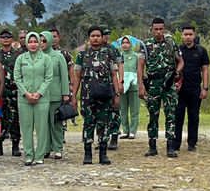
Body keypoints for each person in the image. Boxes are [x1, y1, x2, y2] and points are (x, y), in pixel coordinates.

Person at [72, 25, 123, 164]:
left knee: (103, 124)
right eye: (92, 36)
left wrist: (117, 94)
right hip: (87, 96)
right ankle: (87, 154)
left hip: (105, 95)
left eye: (98, 36)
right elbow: (77, 77)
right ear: (89, 38)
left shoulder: (108, 54)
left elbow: (114, 74)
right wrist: (73, 97)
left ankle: (103, 154)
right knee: (88, 124)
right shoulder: (82, 55)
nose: (95, 38)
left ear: (102, 38)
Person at [139, 18, 179, 157]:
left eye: (161, 29)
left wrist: (177, 73)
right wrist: (141, 86)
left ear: (164, 29)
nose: (158, 32)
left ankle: (170, 147)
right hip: (153, 84)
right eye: (156, 29)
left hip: (168, 84)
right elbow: (141, 65)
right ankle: (152, 146)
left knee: (171, 115)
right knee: (153, 115)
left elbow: (180, 61)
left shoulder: (171, 42)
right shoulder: (146, 45)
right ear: (151, 29)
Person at [170, 25, 210, 154]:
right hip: (179, 90)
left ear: (194, 35)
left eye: (190, 34)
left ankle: (192, 143)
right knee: (178, 117)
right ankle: (175, 143)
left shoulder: (201, 51)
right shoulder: (177, 51)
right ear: (181, 36)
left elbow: (205, 69)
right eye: (185, 34)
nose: (188, 37)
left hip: (194, 89)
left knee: (194, 117)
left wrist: (205, 88)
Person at [14, 32, 51, 166]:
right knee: (26, 127)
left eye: (36, 41)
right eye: (30, 41)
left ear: (40, 43)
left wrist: (39, 93)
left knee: (41, 128)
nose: (33, 44)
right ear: (26, 43)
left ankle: (40, 156)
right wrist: (26, 94)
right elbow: (17, 78)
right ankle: (29, 155)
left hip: (42, 99)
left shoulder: (46, 59)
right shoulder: (21, 59)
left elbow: (48, 78)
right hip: (25, 99)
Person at [41, 32, 70, 160]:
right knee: (44, 124)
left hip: (55, 94)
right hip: (41, 95)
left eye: (44, 40)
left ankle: (58, 148)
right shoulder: (37, 56)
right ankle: (46, 148)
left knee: (56, 123)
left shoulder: (58, 56)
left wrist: (65, 93)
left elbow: (64, 76)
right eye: (39, 40)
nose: (41, 43)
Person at [0, 30, 22, 157]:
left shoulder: (19, 54)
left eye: (8, 37)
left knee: (15, 120)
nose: (6, 39)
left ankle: (15, 146)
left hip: (14, 92)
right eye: (3, 37)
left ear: (12, 39)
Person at [117, 35, 141, 146]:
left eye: (127, 42)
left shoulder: (136, 56)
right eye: (123, 43)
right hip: (122, 85)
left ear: (131, 44)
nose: (125, 44)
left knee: (134, 109)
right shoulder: (119, 56)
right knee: (123, 109)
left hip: (133, 86)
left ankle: (132, 131)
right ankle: (125, 130)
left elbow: (139, 70)